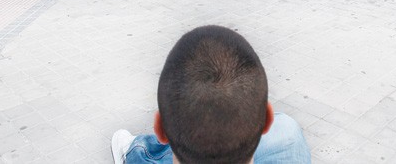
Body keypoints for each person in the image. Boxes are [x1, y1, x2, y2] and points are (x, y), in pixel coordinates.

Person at [110, 25, 312, 164]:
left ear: (160, 128)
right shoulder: (284, 130)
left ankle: (138, 152)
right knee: (287, 130)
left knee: (185, 146)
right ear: (267, 119)